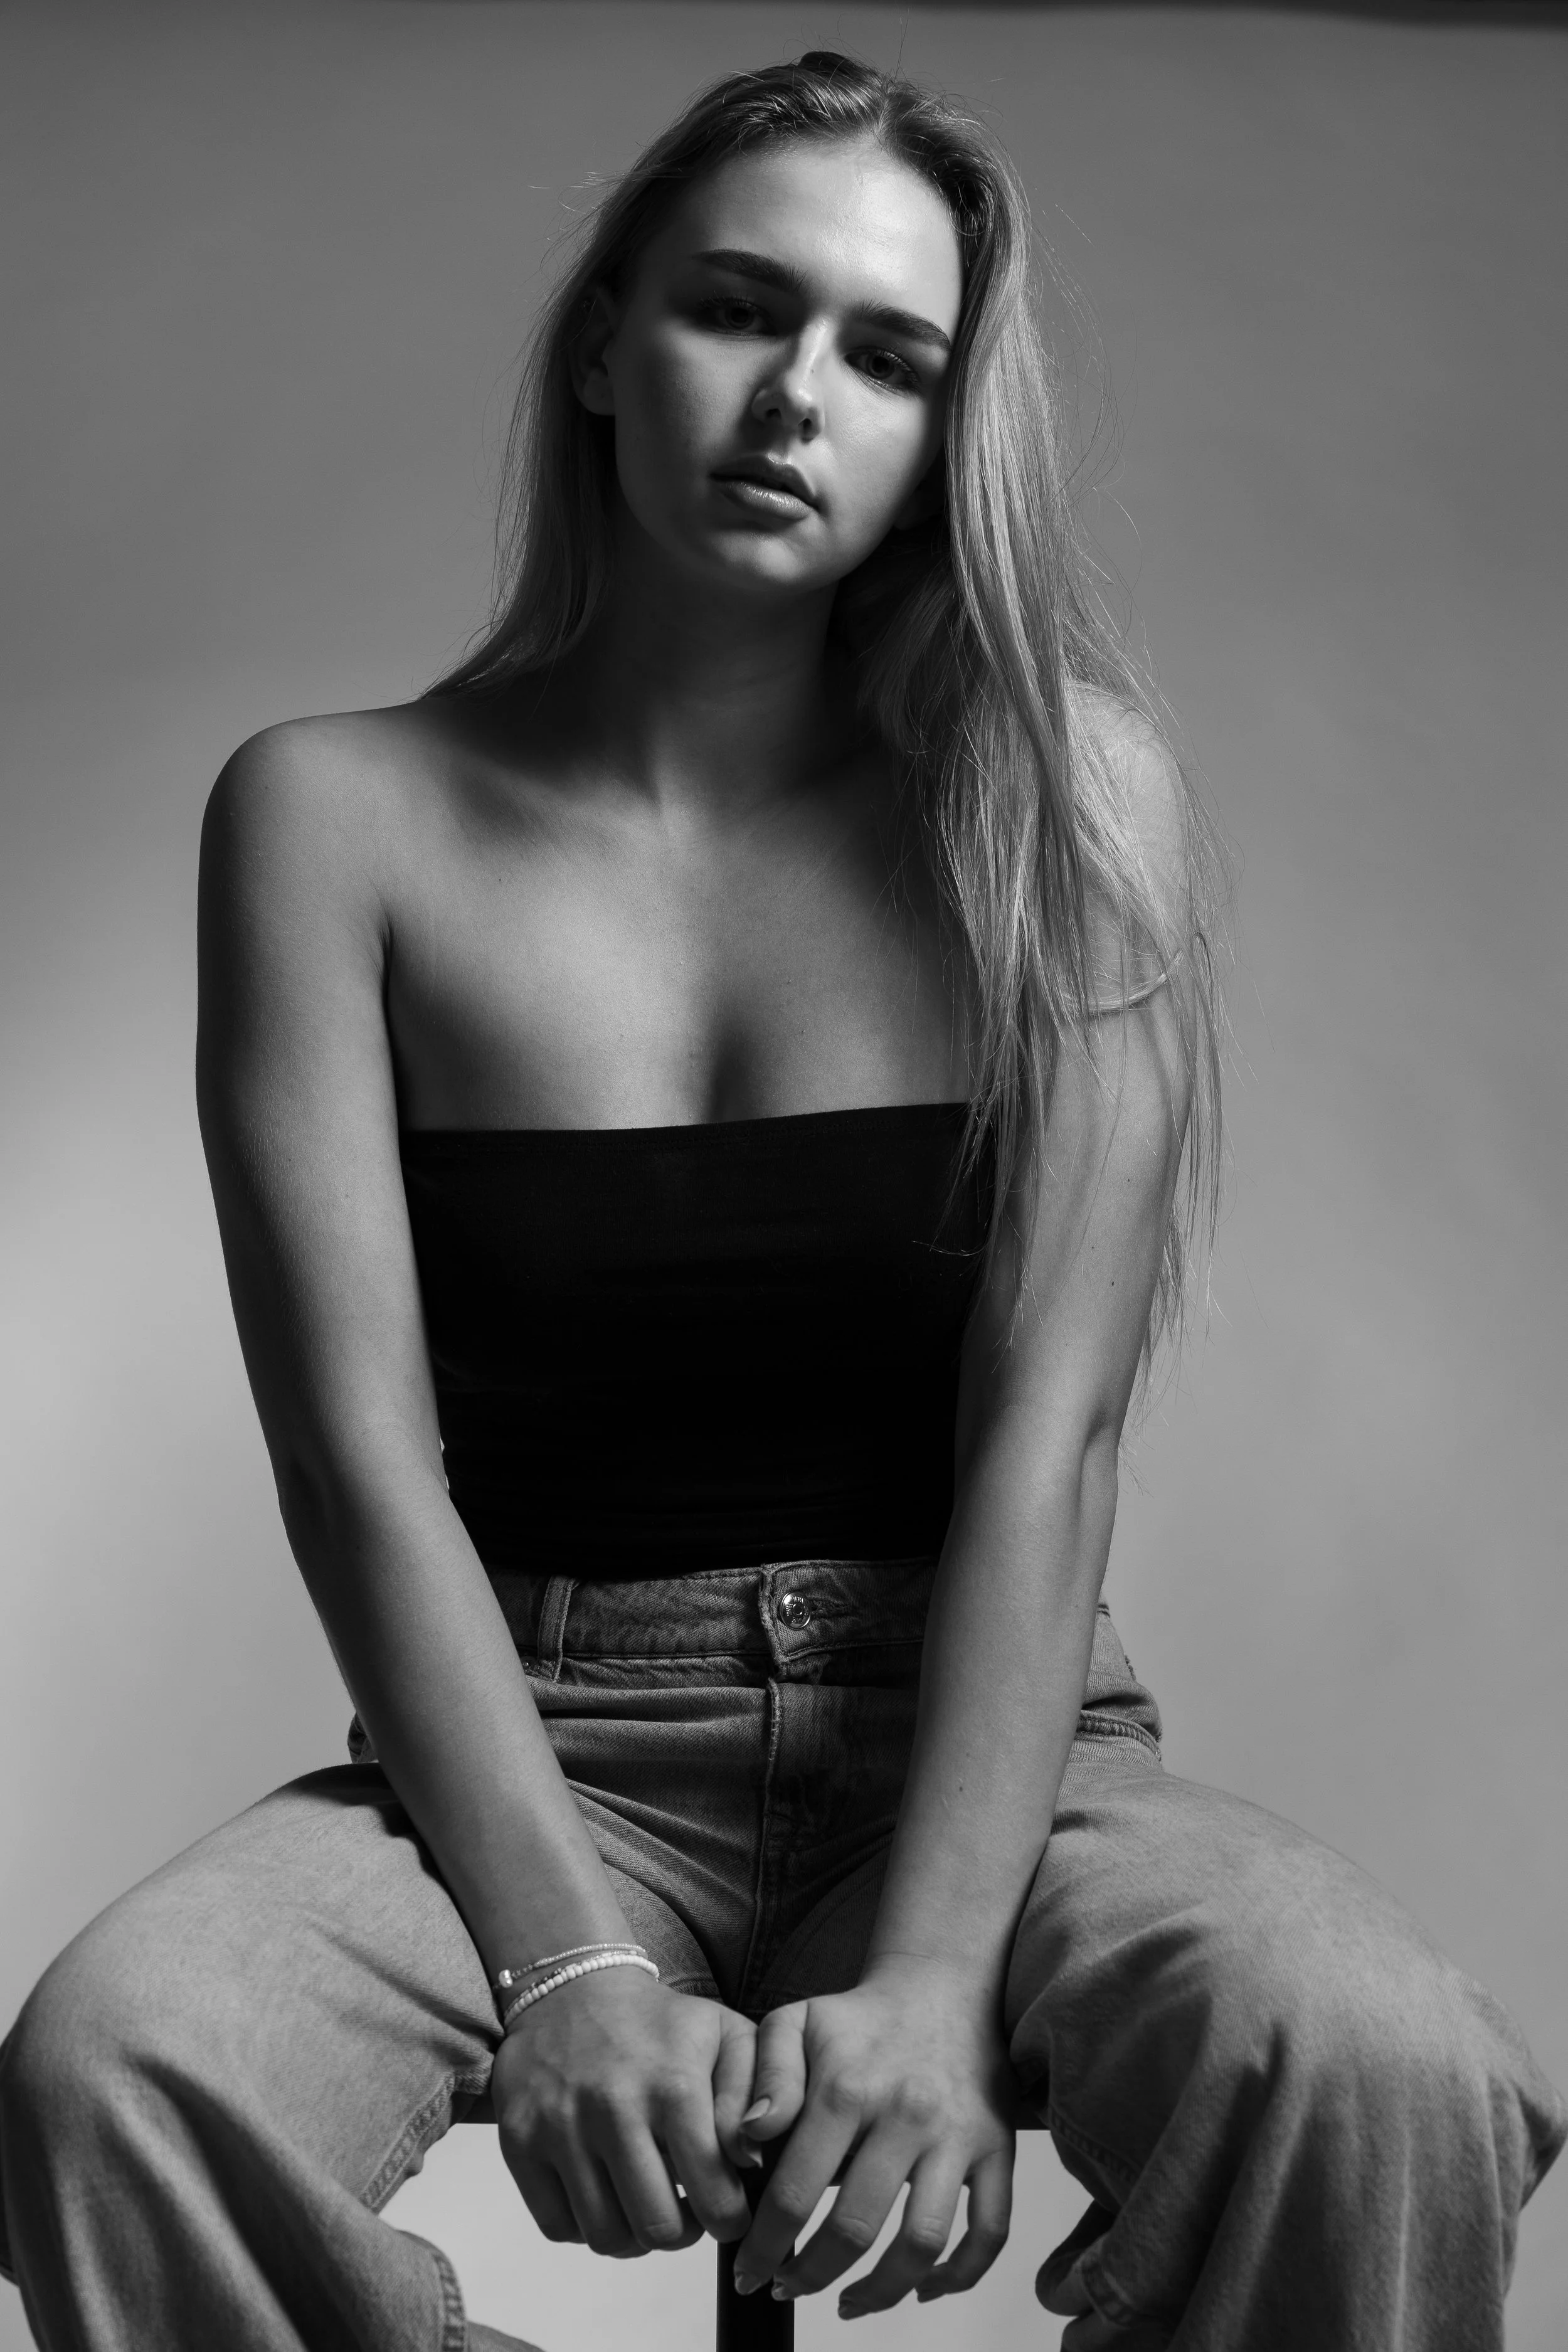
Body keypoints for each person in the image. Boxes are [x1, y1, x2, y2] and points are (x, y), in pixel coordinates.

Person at [0, 51, 1560, 2352]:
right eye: (741, 307)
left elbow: (1051, 1445)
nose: (795, 398)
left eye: (890, 355)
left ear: (946, 430)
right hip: (526, 1740)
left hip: (978, 1736)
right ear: (607, 337)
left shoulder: (1059, 804)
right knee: (116, 2069)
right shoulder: (335, 821)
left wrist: (934, 1977)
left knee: (1375, 2062)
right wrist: (569, 1958)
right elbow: (356, 1464)